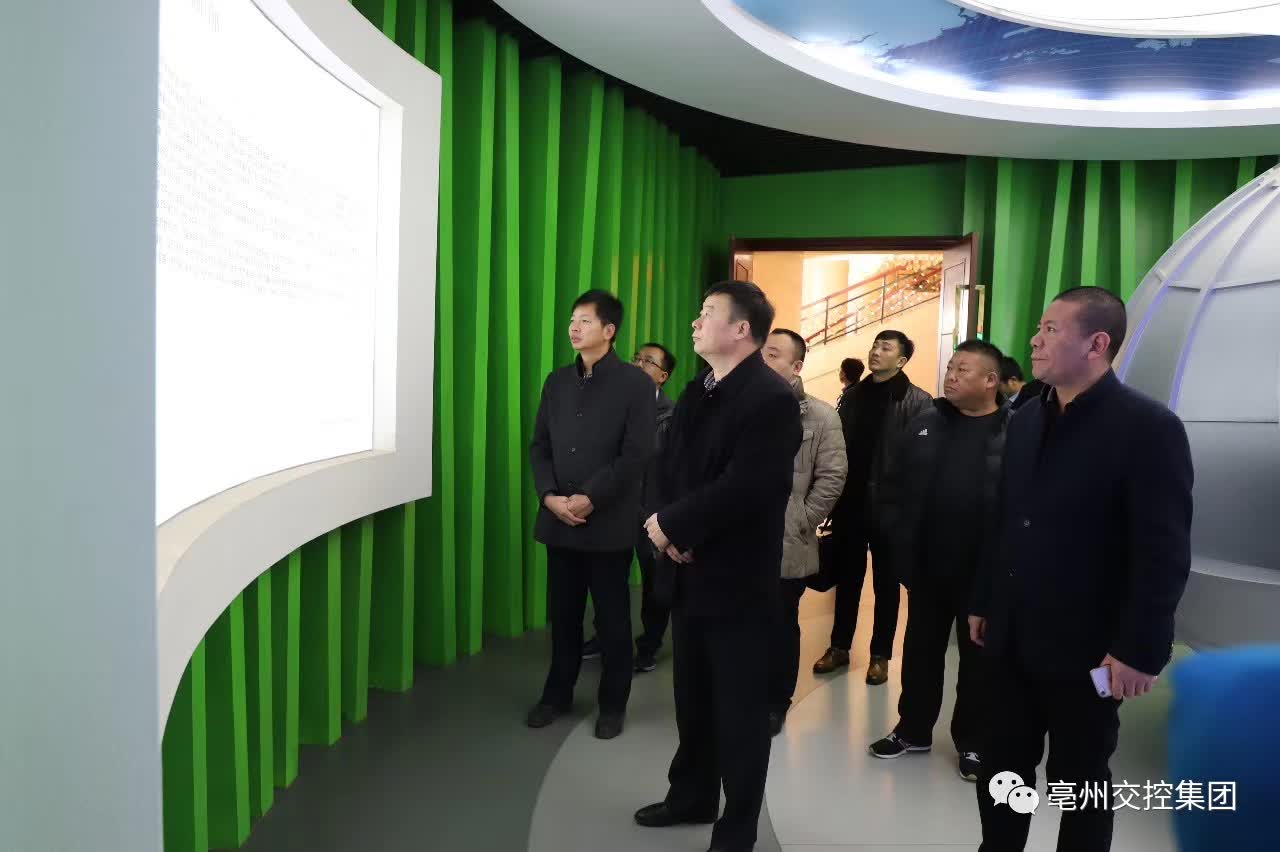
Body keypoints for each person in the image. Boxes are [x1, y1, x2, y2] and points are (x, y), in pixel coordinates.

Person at [970, 287, 1194, 852]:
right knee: (1003, 767)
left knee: (1081, 778)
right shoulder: (1026, 418)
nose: (1034, 341)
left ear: (1097, 344)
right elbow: (1005, 520)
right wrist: (984, 599)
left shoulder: (1148, 428)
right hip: (1012, 635)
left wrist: (1140, 650)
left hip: (1090, 649)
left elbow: (1163, 552)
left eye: (1050, 330)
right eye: (1038, 329)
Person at [634, 280, 802, 852]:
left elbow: (749, 487)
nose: (695, 322)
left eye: (707, 313)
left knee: (740, 713)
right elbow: (667, 467)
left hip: (736, 581)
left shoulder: (771, 399)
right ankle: (692, 795)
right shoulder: (699, 387)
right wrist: (667, 526)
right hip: (688, 572)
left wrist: (677, 527)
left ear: (741, 329)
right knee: (693, 700)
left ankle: (737, 827)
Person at [867, 339, 1008, 783]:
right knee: (920, 653)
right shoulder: (926, 422)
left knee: (979, 663)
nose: (951, 375)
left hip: (983, 575)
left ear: (991, 380)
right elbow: (892, 484)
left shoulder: (1015, 430)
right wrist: (896, 538)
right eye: (951, 367)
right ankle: (913, 730)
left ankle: (974, 741)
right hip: (927, 566)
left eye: (964, 370)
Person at [526, 290, 656, 740]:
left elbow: (637, 453)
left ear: (609, 330)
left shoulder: (635, 384)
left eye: (584, 320)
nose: (574, 328)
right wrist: (549, 496)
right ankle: (556, 695)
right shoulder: (557, 381)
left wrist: (590, 497)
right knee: (563, 617)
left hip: (607, 523)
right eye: (572, 320)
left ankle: (612, 704)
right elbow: (540, 446)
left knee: (612, 619)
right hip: (559, 520)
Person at [813, 330, 931, 685]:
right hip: (850, 503)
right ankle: (839, 646)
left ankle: (880, 655)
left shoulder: (917, 401)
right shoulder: (852, 396)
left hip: (891, 508)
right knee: (847, 579)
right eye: (875, 346)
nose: (876, 352)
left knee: (886, 584)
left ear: (902, 360)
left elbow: (921, 461)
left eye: (886, 348)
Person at [760, 329, 847, 736]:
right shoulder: (736, 406)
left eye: (773, 354)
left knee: (779, 624)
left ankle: (775, 700)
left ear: (796, 367)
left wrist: (801, 519)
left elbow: (832, 476)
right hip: (736, 541)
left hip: (787, 542)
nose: (761, 360)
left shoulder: (820, 416)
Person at [582, 342, 678, 672]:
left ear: (663, 376)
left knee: (654, 583)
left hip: (652, 513)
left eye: (647, 361)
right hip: (614, 509)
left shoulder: (672, 417)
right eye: (636, 358)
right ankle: (604, 636)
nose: (637, 364)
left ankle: (649, 645)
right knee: (608, 580)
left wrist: (668, 516)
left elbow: (676, 471)